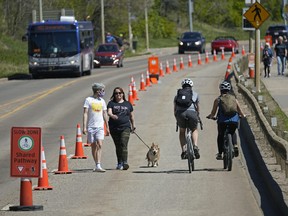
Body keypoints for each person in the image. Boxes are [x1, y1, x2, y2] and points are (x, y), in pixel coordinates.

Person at [207, 81, 246, 160]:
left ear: (220, 90)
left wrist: (211, 116)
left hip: (222, 121)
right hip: (234, 120)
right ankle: (235, 145)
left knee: (220, 135)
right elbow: (239, 110)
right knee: (232, 132)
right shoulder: (234, 98)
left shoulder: (218, 100)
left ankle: (220, 153)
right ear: (229, 89)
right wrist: (243, 115)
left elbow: (213, 113)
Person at [83, 83, 110, 172]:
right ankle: (96, 163)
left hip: (100, 126)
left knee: (100, 144)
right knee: (93, 146)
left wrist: (107, 126)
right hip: (91, 126)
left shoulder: (102, 101)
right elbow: (85, 113)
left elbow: (105, 113)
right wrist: (84, 127)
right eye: (102, 90)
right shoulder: (88, 100)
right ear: (97, 91)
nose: (103, 92)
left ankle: (98, 164)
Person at [107, 87, 135, 170]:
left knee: (123, 144)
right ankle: (119, 162)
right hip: (114, 128)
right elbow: (109, 112)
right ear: (114, 95)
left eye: (120, 93)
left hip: (125, 127)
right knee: (118, 146)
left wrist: (133, 125)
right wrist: (112, 115)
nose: (118, 94)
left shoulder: (127, 104)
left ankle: (125, 162)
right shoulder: (111, 103)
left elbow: (131, 116)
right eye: (116, 93)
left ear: (123, 94)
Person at [174, 78, 200, 160]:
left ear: (182, 86)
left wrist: (177, 118)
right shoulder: (195, 94)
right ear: (191, 86)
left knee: (182, 132)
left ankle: (184, 151)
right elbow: (197, 107)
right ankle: (195, 146)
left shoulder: (177, 95)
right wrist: (197, 115)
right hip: (192, 114)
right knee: (194, 129)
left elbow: (175, 109)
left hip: (180, 114)